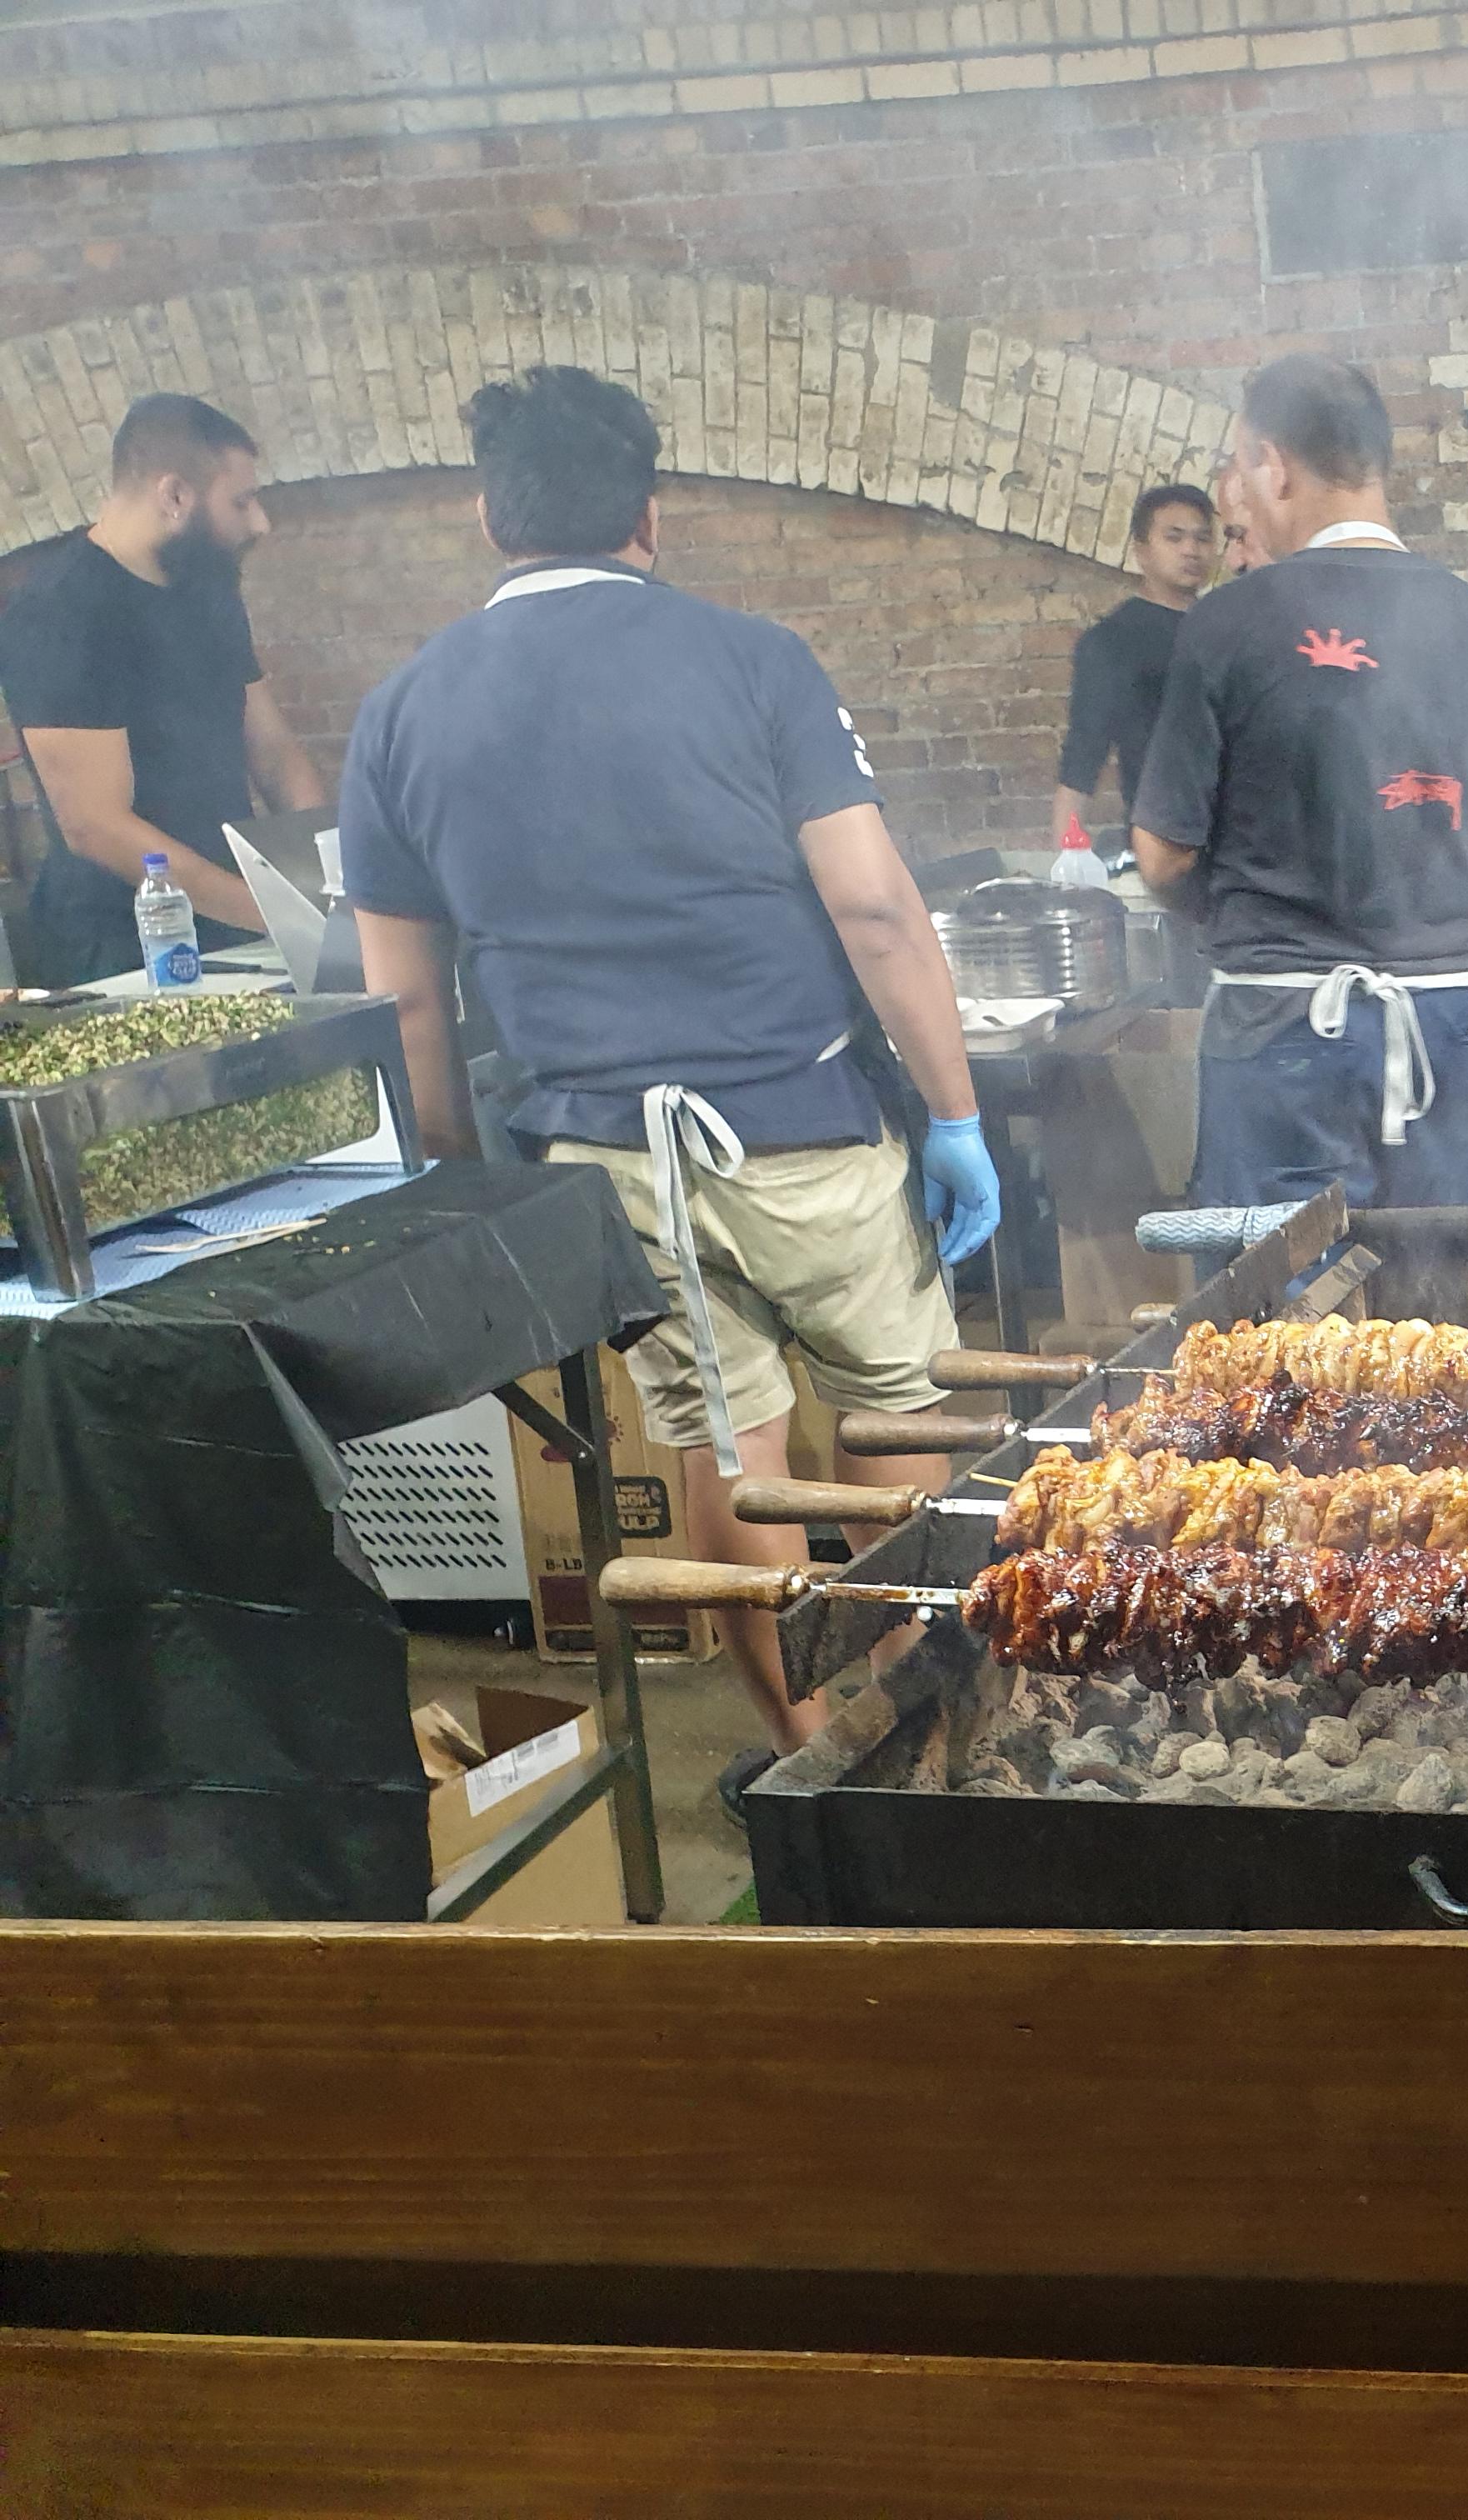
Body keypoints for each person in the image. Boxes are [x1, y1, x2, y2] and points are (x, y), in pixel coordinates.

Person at [340, 365, 1001, 1816]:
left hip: (602, 1162)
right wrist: (955, 1113)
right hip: (804, 1134)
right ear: (649, 512)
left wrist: (462, 1187)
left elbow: (407, 1004)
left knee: (727, 1444)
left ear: (489, 516)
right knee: (901, 1421)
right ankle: (950, 1743)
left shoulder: (398, 714)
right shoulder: (753, 660)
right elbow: (874, 908)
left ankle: (817, 1761)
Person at [1130, 353, 1468, 1208]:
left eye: (1242, 469)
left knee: (1276, 1292)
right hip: (1451, 1028)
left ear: (1273, 465)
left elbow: (1163, 859)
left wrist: (1257, 912)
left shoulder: (1224, 626)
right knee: (1456, 1287)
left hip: (1281, 1030)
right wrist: (1460, 903)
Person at [0, 394, 322, 982]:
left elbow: (274, 753)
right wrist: (279, 916)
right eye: (241, 501)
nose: (260, 523)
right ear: (174, 496)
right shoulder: (57, 611)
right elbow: (96, 825)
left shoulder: (208, 592)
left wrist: (328, 884)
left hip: (236, 921)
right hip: (121, 950)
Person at [1051, 482, 1217, 849]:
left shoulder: (1229, 626)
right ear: (1142, 551)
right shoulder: (1113, 642)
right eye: (1174, 537)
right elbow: (1082, 761)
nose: (1191, 550)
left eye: (1202, 538)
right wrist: (1068, 861)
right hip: (1165, 841)